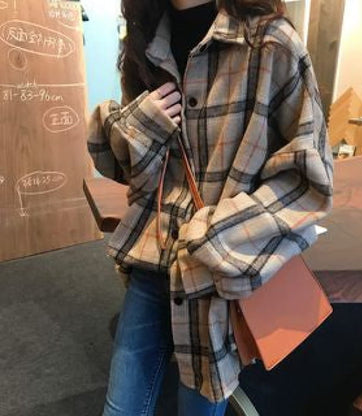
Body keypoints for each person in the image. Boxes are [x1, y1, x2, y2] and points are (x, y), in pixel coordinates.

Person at [87, 0, 334, 415]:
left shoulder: (270, 43)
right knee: (120, 409)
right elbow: (137, 178)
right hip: (152, 260)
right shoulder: (146, 41)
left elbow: (308, 181)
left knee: (197, 409)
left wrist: (216, 237)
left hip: (216, 274)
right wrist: (139, 129)